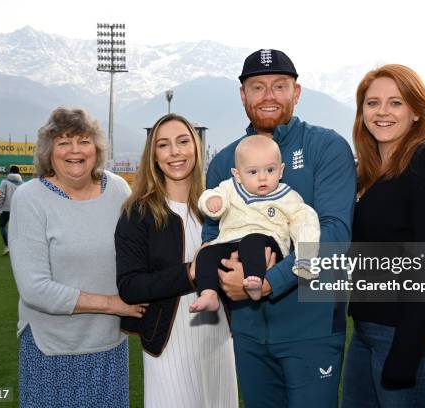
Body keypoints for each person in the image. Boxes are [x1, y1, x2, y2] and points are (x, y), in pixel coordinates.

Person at [202, 49, 356, 407]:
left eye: (279, 86)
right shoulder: (226, 161)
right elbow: (212, 235)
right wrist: (229, 278)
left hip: (312, 326)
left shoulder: (327, 146)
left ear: (296, 93)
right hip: (249, 331)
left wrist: (270, 281)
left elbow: (335, 235)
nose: (268, 96)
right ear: (244, 95)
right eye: (257, 87)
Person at [343, 64, 425, 407]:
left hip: (414, 337)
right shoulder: (368, 172)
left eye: (396, 103)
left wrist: (406, 354)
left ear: (416, 112)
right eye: (372, 103)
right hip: (368, 330)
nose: (382, 112)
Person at [8, 107, 144, 408]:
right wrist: (112, 304)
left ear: (96, 148)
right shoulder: (29, 198)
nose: (75, 150)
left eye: (83, 140)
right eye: (63, 141)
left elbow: (138, 254)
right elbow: (34, 289)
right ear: (49, 151)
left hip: (109, 346)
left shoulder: (119, 189)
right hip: (51, 349)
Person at [115, 113, 238, 408]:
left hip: (220, 339)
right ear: (154, 157)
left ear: (196, 148)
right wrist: (190, 273)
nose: (175, 152)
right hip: (168, 344)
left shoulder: (218, 207)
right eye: (163, 145)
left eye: (183, 141)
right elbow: (130, 286)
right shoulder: (138, 214)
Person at [190, 135, 320, 312]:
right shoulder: (230, 188)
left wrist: (306, 261)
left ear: (281, 171)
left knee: (252, 240)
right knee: (205, 253)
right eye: (253, 172)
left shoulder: (288, 197)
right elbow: (211, 195)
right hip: (231, 243)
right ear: (237, 175)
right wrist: (213, 202)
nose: (262, 178)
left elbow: (306, 223)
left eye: (270, 170)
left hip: (267, 246)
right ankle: (209, 293)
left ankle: (256, 283)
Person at [0, 165, 23, 255]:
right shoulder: (23, 183)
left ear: (10, 172)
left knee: (2, 226)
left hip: (6, 208)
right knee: (16, 229)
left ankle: (8, 246)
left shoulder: (5, 182)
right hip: (18, 209)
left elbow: (1, 195)